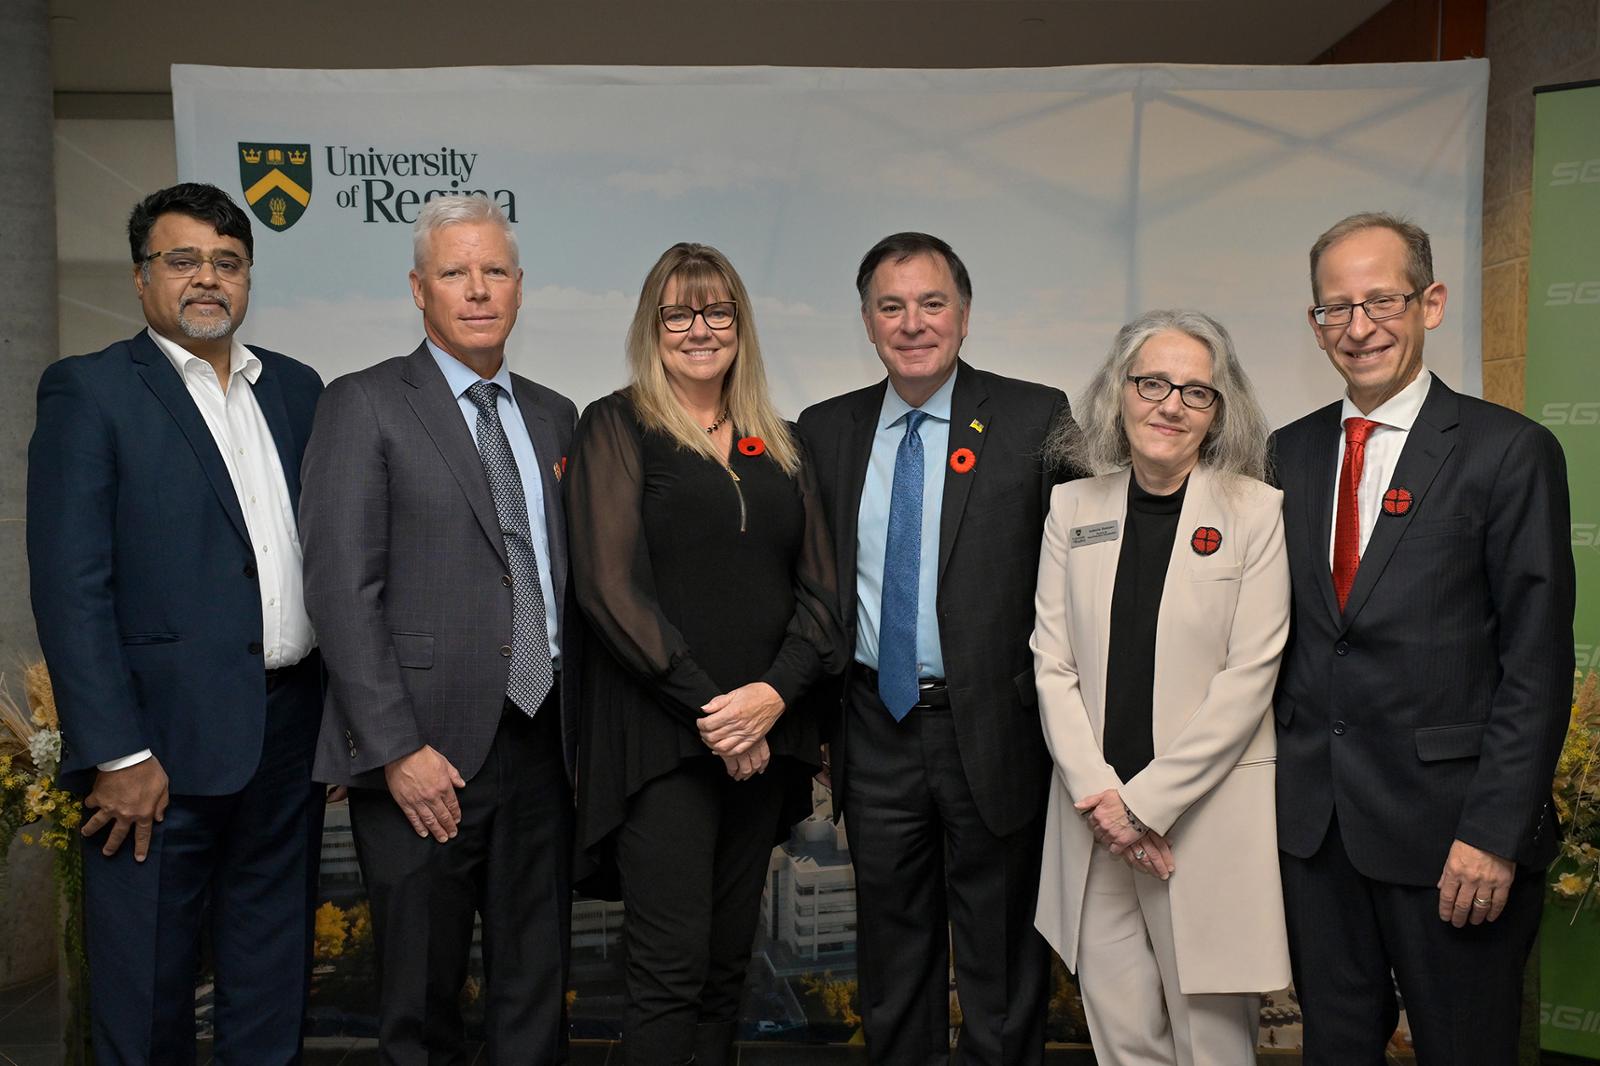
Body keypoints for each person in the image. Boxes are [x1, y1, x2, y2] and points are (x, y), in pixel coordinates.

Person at [27, 182, 325, 1063]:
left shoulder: (296, 389)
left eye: (228, 263)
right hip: (156, 753)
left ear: (248, 278)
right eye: (183, 260)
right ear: (141, 277)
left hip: (289, 735)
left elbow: (329, 561)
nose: (208, 280)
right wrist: (116, 752)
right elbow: (71, 586)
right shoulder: (89, 392)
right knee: (147, 996)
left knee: (272, 983)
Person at [1273, 212, 1575, 1065]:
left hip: (1456, 843)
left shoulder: (1509, 452)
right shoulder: (1285, 456)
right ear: (1314, 324)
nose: (1358, 327)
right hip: (1318, 836)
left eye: (1381, 300)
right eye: (1336, 308)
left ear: (1431, 302)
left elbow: (1537, 665)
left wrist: (1494, 835)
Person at [301, 194, 579, 1064]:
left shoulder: (554, 414)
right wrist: (394, 748)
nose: (477, 289)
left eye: (494, 270)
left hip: (543, 741)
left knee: (536, 991)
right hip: (423, 755)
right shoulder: (366, 403)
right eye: (455, 272)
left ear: (521, 288)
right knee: (420, 1004)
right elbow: (342, 590)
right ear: (420, 290)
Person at [797, 232, 1069, 1065]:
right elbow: (808, 586)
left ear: (964, 313)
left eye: (931, 302)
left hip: (995, 731)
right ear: (868, 322)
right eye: (891, 306)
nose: (912, 323)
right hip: (875, 728)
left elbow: (1087, 572)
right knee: (892, 961)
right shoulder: (826, 430)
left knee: (1002, 966)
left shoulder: (1034, 417)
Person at [567, 242, 841, 1066]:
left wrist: (769, 701)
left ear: (740, 324)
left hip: (764, 742)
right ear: (653, 326)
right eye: (678, 312)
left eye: (717, 310)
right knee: (668, 975)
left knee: (728, 972)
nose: (699, 328)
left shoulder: (781, 441)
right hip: (665, 747)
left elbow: (824, 598)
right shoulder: (615, 425)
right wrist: (719, 713)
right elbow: (608, 591)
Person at [1030, 309, 1291, 1066]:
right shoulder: (1071, 508)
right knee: (1124, 1043)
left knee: (1212, 1047)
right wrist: (1105, 803)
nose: (1169, 404)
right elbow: (1053, 663)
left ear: (1218, 412)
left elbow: (1251, 676)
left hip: (1199, 823)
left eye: (1195, 391)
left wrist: (1144, 806)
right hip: (1093, 827)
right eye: (1152, 383)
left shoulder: (1254, 511)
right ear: (1120, 392)